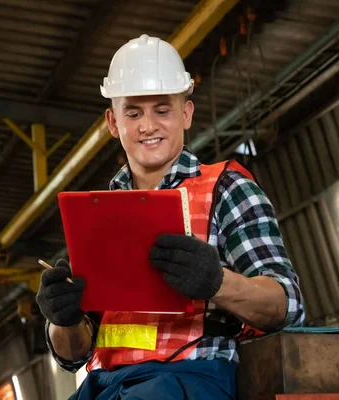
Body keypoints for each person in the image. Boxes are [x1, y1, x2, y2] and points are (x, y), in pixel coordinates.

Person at [35, 34, 304, 400]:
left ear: (186, 114)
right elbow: (74, 355)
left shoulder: (226, 188)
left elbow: (289, 305)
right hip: (107, 386)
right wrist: (61, 320)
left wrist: (216, 282)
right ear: (113, 122)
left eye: (162, 110)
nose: (148, 126)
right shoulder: (99, 211)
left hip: (192, 379)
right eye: (133, 112)